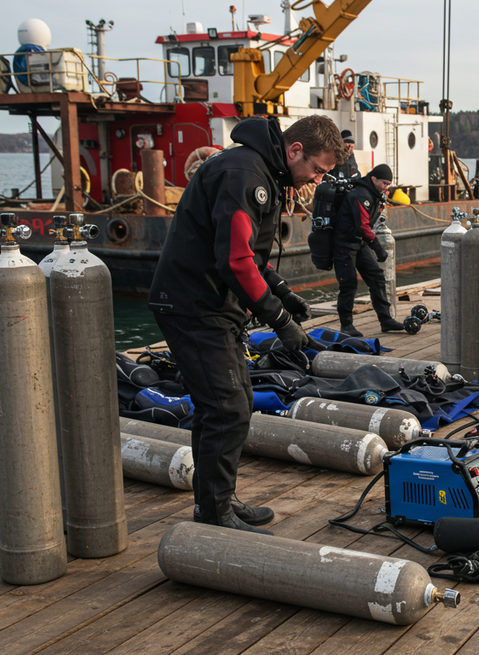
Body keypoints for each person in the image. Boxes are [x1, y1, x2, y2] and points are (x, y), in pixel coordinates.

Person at [148, 114, 346, 534]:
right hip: (193, 305)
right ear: (295, 150)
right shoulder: (243, 174)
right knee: (227, 407)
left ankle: (218, 500)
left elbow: (249, 255)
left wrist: (282, 291)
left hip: (213, 305)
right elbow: (235, 260)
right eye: (316, 169)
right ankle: (214, 514)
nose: (314, 179)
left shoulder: (264, 171)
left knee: (227, 403)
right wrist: (279, 320)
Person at [333, 163, 407, 336]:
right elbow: (363, 226)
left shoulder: (376, 194)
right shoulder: (360, 195)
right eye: (383, 183)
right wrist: (378, 248)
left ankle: (386, 320)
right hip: (345, 243)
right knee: (349, 283)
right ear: (373, 179)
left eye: (388, 184)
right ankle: (346, 325)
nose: (386, 187)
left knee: (377, 277)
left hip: (359, 242)